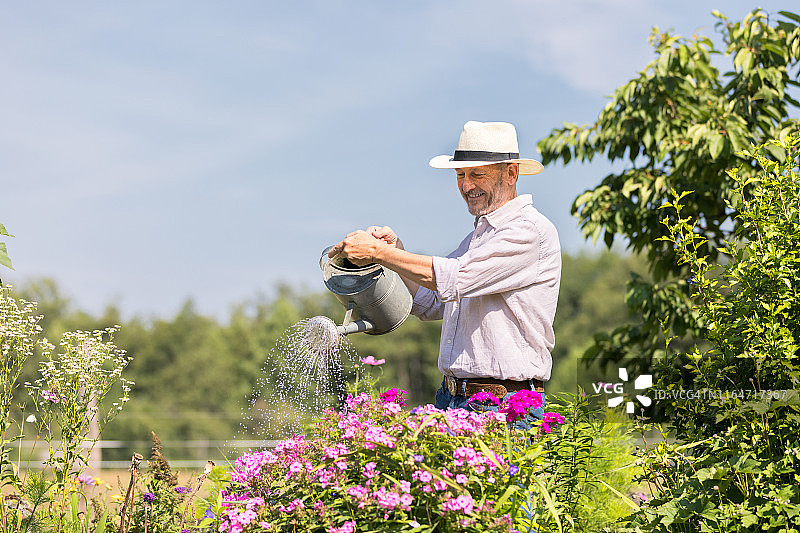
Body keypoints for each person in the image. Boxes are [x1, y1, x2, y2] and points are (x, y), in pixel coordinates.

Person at [328, 121, 561, 422]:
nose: (466, 186)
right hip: (453, 397)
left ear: (511, 173)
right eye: (460, 175)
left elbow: (454, 278)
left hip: (505, 404)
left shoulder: (527, 231)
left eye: (477, 174)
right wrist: (394, 251)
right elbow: (431, 300)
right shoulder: (477, 238)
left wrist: (380, 253)